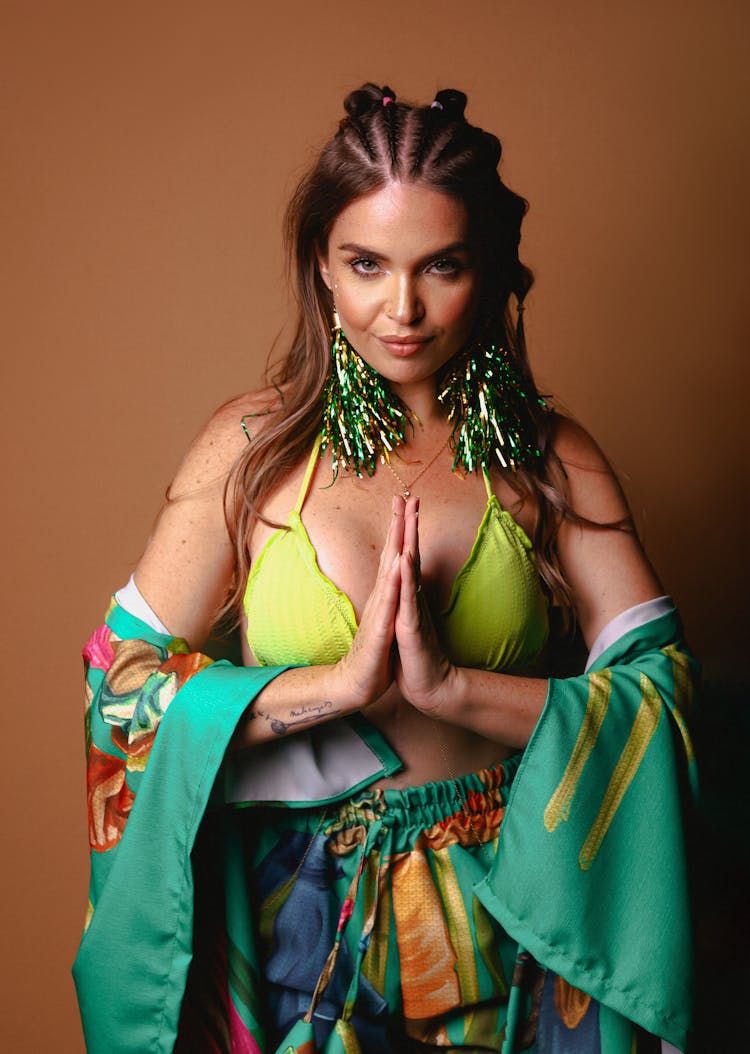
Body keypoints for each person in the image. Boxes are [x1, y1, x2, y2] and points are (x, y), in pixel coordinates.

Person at [74, 85, 698, 1054]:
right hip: (290, 918)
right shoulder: (247, 448)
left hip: (514, 906)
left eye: (440, 266)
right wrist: (334, 688)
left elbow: (662, 699)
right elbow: (122, 685)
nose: (400, 308)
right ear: (320, 266)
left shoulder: (549, 453)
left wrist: (453, 688)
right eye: (366, 264)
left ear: (488, 272)